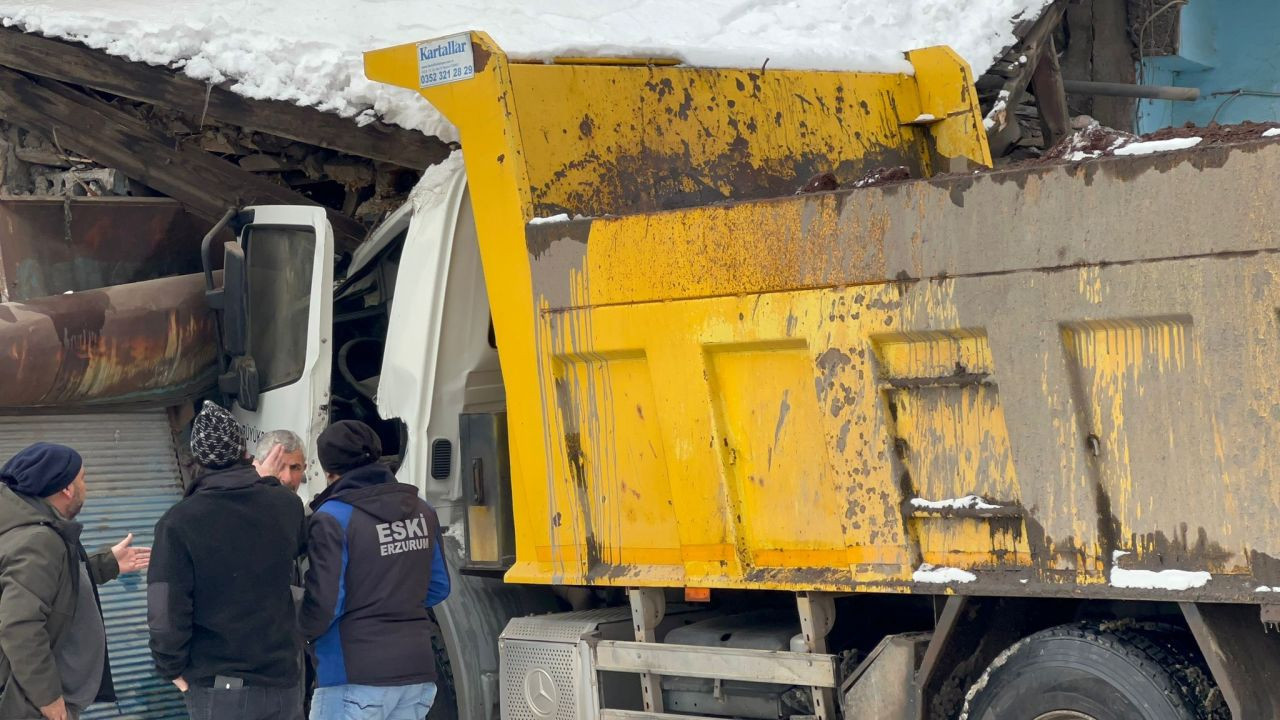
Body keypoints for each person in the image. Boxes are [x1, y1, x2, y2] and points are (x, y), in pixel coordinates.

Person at [147, 401, 306, 720]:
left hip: (220, 690)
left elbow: (165, 610)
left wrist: (171, 670)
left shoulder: (179, 523)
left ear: (198, 457)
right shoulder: (286, 506)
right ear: (243, 449)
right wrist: (266, 485)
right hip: (284, 683)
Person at [301, 420, 450, 720]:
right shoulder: (423, 510)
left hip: (353, 674)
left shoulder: (332, 517)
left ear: (329, 471)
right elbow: (438, 587)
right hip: (416, 673)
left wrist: (299, 631)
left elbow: (326, 604)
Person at [0, 443, 150, 720]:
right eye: (83, 478)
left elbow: (53, 586)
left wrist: (107, 564)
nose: (85, 486)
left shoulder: (34, 533)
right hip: (33, 710)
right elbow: (19, 626)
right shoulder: (38, 540)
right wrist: (50, 701)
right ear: (67, 489)